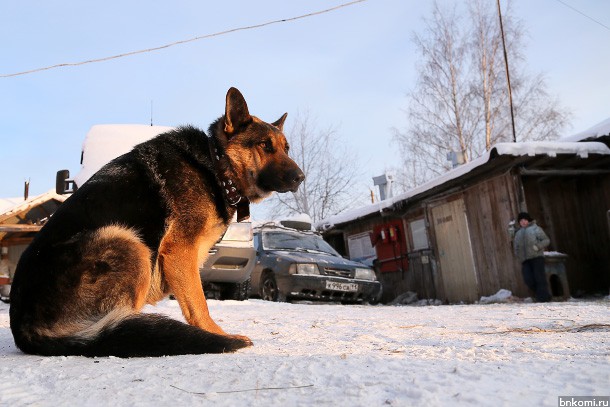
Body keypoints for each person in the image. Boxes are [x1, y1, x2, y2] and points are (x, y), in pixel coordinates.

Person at [513, 212, 551, 302]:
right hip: (525, 260)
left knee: (539, 278)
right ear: (519, 222)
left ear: (528, 220)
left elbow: (546, 240)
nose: (523, 222)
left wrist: (538, 246)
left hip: (537, 257)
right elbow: (516, 246)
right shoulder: (518, 233)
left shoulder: (536, 229)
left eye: (525, 220)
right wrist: (518, 254)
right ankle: (542, 295)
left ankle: (543, 299)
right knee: (528, 279)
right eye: (521, 220)